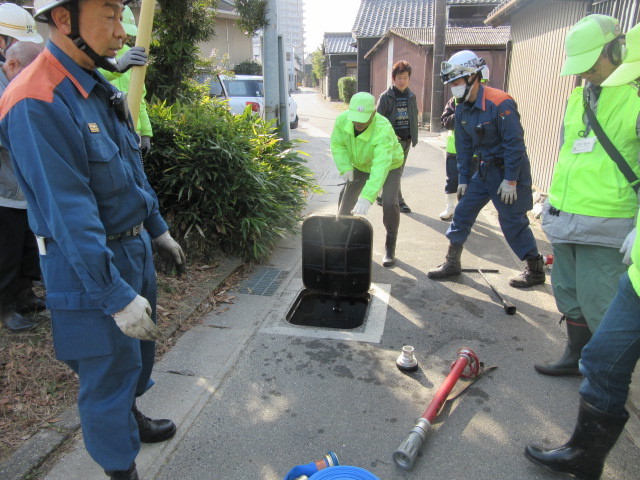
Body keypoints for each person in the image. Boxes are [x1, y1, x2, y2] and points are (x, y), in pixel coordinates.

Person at [0, 1, 186, 478]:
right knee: (107, 375)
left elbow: (129, 170)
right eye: (109, 15)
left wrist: (157, 229)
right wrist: (114, 294)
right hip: (88, 265)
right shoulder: (36, 99)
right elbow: (70, 215)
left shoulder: (95, 85)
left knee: (137, 359)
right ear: (63, 19)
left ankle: (132, 416)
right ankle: (120, 469)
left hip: (132, 249)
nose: (122, 33)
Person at [525, 24, 640, 479]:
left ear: (617, 49)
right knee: (567, 291)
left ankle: (610, 385)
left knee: (601, 305)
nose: (589, 73)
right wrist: (549, 197)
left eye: (595, 63)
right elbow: (569, 153)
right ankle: (576, 356)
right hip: (567, 216)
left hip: (609, 225)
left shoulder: (634, 97)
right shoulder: (579, 97)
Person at [428, 50, 545, 289]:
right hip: (483, 171)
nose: (454, 88)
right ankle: (452, 262)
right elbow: (463, 147)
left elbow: (514, 144)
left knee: (512, 221)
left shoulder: (500, 102)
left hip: (508, 170)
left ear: (474, 77)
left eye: (457, 82)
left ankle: (535, 269)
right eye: (451, 83)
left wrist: (511, 179)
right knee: (462, 213)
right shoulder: (461, 108)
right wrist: (462, 178)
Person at [0, 41, 45, 332]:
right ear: (13, 64)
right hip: (3, 189)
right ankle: (5, 308)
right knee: (6, 252)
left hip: (23, 188)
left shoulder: (19, 85)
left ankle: (24, 295)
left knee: (28, 248)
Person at [331, 91, 405, 267]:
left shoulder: (383, 128)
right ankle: (345, 241)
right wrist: (345, 167)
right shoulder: (343, 120)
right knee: (345, 203)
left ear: (373, 114)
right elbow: (337, 144)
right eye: (355, 117)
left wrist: (367, 196)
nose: (358, 122)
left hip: (390, 165)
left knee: (389, 202)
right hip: (359, 165)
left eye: (363, 118)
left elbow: (380, 167)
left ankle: (390, 245)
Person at [98, 5, 152, 155]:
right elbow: (88, 75)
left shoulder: (132, 53)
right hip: (106, 130)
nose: (124, 36)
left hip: (133, 130)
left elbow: (140, 96)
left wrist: (146, 132)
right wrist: (116, 66)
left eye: (128, 33)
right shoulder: (95, 52)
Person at [438, 65, 487, 220]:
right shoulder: (454, 102)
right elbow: (445, 122)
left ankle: (464, 211)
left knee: (471, 183)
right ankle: (450, 207)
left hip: (474, 153)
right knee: (452, 180)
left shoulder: (483, 104)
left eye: (458, 83)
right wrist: (459, 111)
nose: (456, 87)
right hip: (454, 151)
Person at [376, 60, 418, 213]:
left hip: (407, 140)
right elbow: (378, 120)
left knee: (396, 171)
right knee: (396, 172)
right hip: (392, 142)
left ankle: (382, 197)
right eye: (399, 77)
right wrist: (391, 136)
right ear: (393, 78)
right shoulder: (386, 97)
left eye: (405, 77)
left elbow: (413, 117)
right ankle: (399, 202)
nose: (402, 81)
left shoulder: (411, 96)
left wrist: (413, 135)